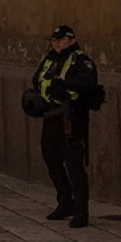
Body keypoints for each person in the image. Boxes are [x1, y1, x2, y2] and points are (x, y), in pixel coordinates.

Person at [32, 25, 100, 228]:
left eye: (60, 40)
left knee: (74, 165)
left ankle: (81, 211)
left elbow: (86, 84)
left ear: (71, 39)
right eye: (54, 40)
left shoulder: (81, 60)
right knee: (51, 159)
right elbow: (37, 79)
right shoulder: (50, 59)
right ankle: (65, 201)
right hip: (51, 117)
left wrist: (65, 86)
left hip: (71, 119)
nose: (56, 43)